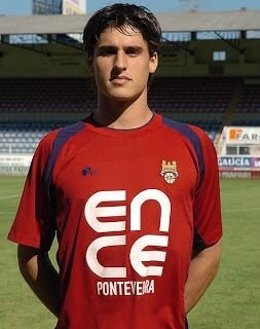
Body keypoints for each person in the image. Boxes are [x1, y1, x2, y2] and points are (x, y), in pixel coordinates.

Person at [8, 3, 222, 329]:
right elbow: (30, 253)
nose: (120, 64)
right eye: (107, 51)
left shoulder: (194, 145)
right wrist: (74, 315)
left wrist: (168, 315)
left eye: (133, 51)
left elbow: (209, 248)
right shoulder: (55, 147)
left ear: (153, 60)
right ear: (90, 61)